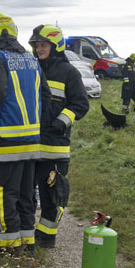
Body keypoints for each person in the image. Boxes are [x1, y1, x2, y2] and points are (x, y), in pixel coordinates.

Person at [0, 13, 50, 257]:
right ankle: (27, 244)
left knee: (3, 194)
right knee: (26, 194)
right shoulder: (31, 59)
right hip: (32, 142)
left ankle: (7, 247)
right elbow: (45, 96)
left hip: (5, 140)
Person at [29, 25, 89, 248]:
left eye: (43, 45)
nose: (39, 49)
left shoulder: (68, 72)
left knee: (52, 194)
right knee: (27, 193)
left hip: (55, 146)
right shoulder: (33, 68)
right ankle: (30, 233)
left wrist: (60, 122)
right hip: (31, 144)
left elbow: (81, 104)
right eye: (36, 45)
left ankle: (46, 236)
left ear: (55, 47)